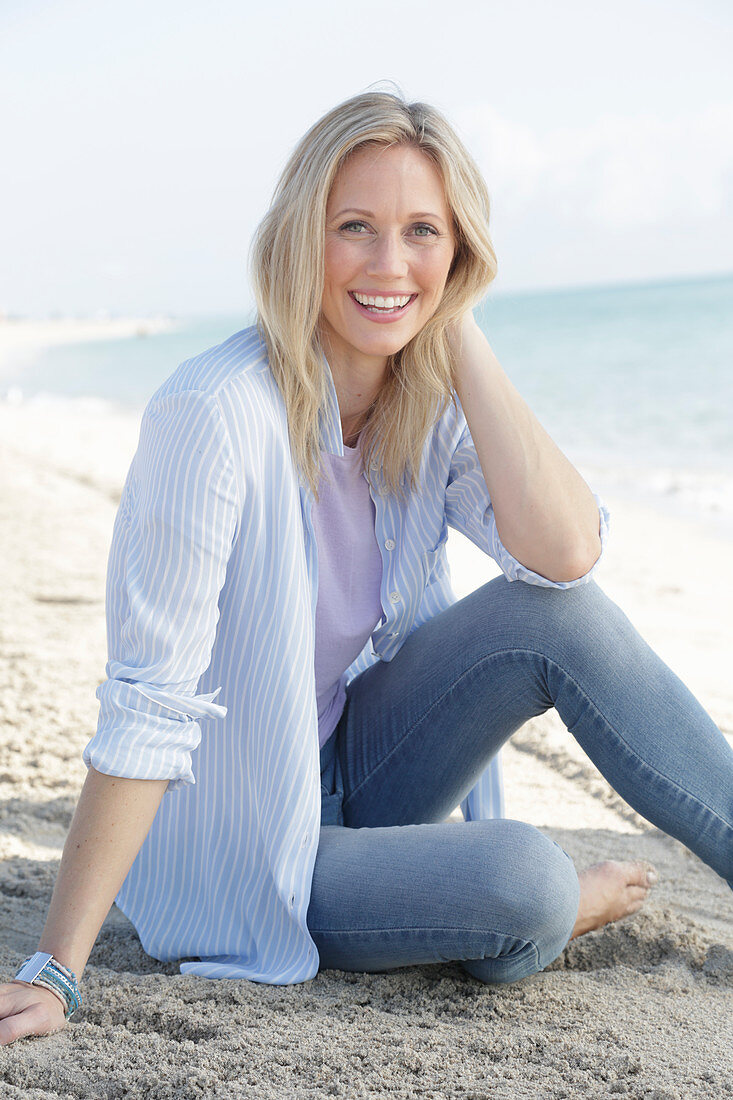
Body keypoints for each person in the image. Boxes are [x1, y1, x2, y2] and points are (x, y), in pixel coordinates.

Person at [1, 90, 731, 1046]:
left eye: (423, 232)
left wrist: (452, 317)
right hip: (255, 844)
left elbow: (562, 556)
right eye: (356, 228)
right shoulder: (213, 414)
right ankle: (532, 910)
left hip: (360, 769)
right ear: (302, 240)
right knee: (525, 880)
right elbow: (150, 701)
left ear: (461, 251)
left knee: (559, 614)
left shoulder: (422, 403)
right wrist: (57, 968)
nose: (389, 264)